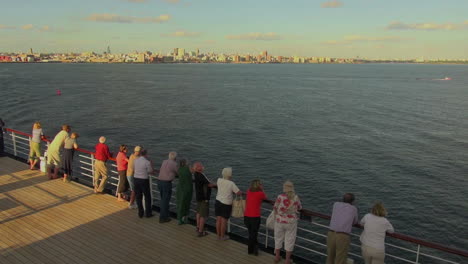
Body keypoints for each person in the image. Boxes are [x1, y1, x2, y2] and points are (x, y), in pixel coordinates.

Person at [273, 181, 302, 264]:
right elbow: (299, 207)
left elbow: (275, 207)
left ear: (284, 188)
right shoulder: (295, 197)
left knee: (278, 238)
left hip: (280, 221)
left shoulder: (280, 197)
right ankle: (287, 260)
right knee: (290, 240)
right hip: (291, 222)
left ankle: (277, 257)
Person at [327, 193, 359, 264]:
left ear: (343, 199)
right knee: (340, 258)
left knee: (330, 256)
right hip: (343, 236)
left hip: (331, 233)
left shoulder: (336, 204)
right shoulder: (353, 209)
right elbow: (355, 221)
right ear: (352, 201)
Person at [215, 167, 241, 240]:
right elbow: (238, 192)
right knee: (224, 221)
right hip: (226, 203)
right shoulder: (231, 183)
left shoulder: (219, 180)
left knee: (218, 220)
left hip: (218, 201)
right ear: (230, 174)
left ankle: (218, 236)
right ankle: (222, 236)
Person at [244, 179, 267, 255]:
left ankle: (255, 249)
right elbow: (265, 198)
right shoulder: (260, 193)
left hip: (246, 216)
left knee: (252, 233)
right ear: (258, 185)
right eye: (260, 184)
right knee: (253, 234)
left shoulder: (248, 191)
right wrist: (262, 189)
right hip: (255, 217)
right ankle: (250, 250)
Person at [193, 162, 216, 237]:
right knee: (203, 215)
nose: (202, 166)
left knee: (198, 212)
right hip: (204, 198)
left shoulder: (195, 174)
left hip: (198, 196)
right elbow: (209, 184)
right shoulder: (201, 175)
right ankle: (200, 232)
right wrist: (217, 184)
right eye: (200, 166)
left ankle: (198, 227)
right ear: (198, 168)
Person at [157, 151, 178, 223]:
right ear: (175, 158)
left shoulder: (164, 161)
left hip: (159, 181)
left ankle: (165, 215)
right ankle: (163, 218)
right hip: (166, 183)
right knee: (165, 201)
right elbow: (177, 172)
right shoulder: (174, 164)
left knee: (163, 199)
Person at [133, 149, 155, 218]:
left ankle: (140, 213)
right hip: (144, 180)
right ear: (146, 154)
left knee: (138, 196)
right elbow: (150, 171)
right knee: (147, 197)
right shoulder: (147, 162)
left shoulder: (135, 160)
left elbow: (134, 168)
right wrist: (151, 164)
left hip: (136, 179)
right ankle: (148, 213)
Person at [176, 159, 193, 225]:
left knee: (180, 203)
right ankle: (185, 219)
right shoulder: (188, 168)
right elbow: (194, 171)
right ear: (185, 163)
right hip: (187, 188)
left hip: (180, 188)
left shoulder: (179, 169)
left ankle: (179, 219)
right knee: (186, 204)